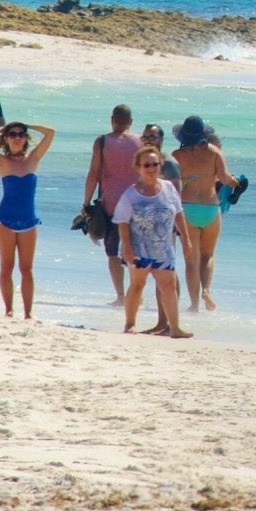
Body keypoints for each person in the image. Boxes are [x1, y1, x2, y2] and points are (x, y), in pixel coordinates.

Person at [117, 145, 191, 339]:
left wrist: (186, 240)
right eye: (147, 165)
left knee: (168, 285)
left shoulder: (168, 188)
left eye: (155, 164)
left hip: (163, 249)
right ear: (139, 167)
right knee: (137, 285)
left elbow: (179, 214)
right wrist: (126, 248)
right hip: (138, 248)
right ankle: (130, 324)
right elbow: (122, 222)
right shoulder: (131, 194)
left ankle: (174, 328)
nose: (152, 168)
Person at [0, 121, 56, 320]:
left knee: (27, 269)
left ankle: (28, 312)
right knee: (6, 267)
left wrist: (28, 125)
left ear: (25, 138)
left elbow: (50, 132)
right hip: (5, 220)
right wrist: (3, 128)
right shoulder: (1, 161)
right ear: (6, 139)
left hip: (29, 221)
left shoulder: (33, 158)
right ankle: (8, 310)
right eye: (13, 134)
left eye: (21, 134)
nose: (17, 138)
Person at [171, 116, 234, 312]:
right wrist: (237, 183)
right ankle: (206, 290)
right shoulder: (214, 153)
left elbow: (172, 184)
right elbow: (224, 178)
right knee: (208, 255)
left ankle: (194, 305)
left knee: (191, 260)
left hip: (187, 208)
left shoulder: (177, 156)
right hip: (210, 208)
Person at [83, 104, 142, 303]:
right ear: (131, 122)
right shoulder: (140, 142)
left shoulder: (102, 142)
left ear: (112, 119)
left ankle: (120, 296)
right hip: (136, 202)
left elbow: (93, 174)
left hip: (111, 203)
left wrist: (85, 203)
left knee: (112, 252)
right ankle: (137, 295)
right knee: (133, 250)